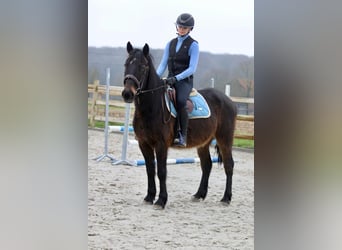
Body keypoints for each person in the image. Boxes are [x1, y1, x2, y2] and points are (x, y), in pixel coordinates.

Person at [157, 13, 200, 147]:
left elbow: (192, 68)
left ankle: (182, 135)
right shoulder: (170, 44)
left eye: (184, 27)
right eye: (180, 26)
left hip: (184, 81)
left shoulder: (193, 45)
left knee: (181, 101)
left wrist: (176, 78)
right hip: (169, 79)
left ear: (190, 29)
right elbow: (163, 64)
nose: (181, 29)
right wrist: (154, 78)